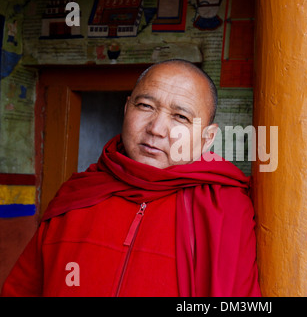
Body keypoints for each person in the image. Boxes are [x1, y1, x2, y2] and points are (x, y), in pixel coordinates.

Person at [1, 59, 261, 297]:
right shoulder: (78, 194)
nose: (156, 129)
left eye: (180, 117)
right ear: (126, 108)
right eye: (145, 106)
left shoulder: (226, 208)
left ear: (207, 139)